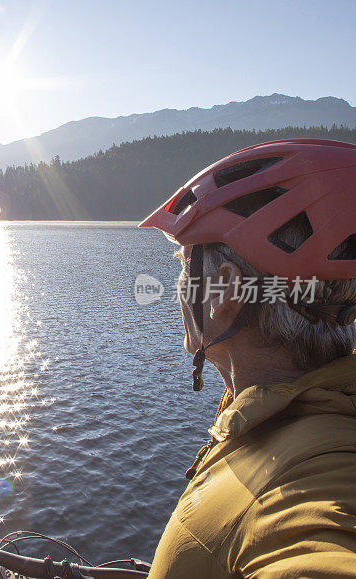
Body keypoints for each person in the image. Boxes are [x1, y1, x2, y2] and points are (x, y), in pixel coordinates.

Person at [139, 139, 356, 577]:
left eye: (184, 264)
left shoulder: (317, 477)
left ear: (225, 291)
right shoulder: (287, 411)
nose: (181, 285)